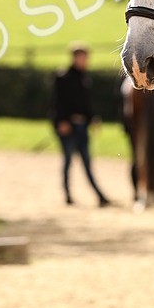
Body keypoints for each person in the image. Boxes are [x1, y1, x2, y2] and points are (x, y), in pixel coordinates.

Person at [52, 46, 111, 206]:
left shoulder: (84, 78)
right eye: (83, 58)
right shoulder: (63, 77)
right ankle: (68, 195)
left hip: (82, 126)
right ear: (75, 58)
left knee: (86, 162)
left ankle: (99, 196)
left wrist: (92, 118)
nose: (86, 61)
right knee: (68, 162)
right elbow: (58, 103)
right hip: (69, 127)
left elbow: (86, 104)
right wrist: (61, 122)